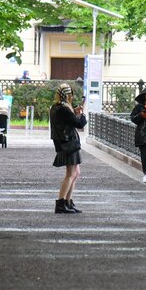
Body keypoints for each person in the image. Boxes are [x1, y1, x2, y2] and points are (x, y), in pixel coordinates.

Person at [50, 82, 86, 214]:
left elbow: (68, 120)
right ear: (67, 95)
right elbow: (79, 123)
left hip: (65, 143)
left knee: (75, 173)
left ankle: (68, 202)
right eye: (70, 94)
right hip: (68, 143)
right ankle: (61, 203)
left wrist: (74, 112)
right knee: (70, 174)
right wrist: (81, 114)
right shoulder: (64, 109)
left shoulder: (56, 107)